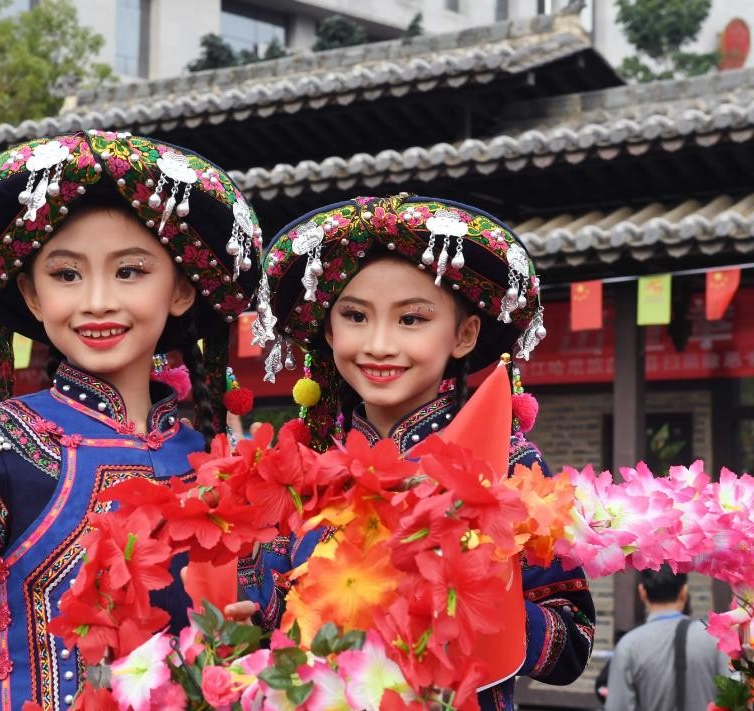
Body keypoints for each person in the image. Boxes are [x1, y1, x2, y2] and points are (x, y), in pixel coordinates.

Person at [0, 130, 262, 710]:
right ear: (32, 297)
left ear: (181, 290)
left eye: (130, 271)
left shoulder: (209, 460)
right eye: (66, 275)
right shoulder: (6, 440)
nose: (97, 300)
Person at [241, 194, 596, 710]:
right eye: (356, 316)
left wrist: (466, 594)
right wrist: (247, 606)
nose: (379, 344)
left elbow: (573, 642)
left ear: (464, 334)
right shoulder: (306, 468)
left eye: (411, 319)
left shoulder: (505, 464)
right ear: (330, 331)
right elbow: (278, 618)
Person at [604, 565, 731, 711]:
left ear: (642, 592)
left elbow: (618, 706)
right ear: (684, 592)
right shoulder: (713, 637)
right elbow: (734, 695)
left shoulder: (628, 646)